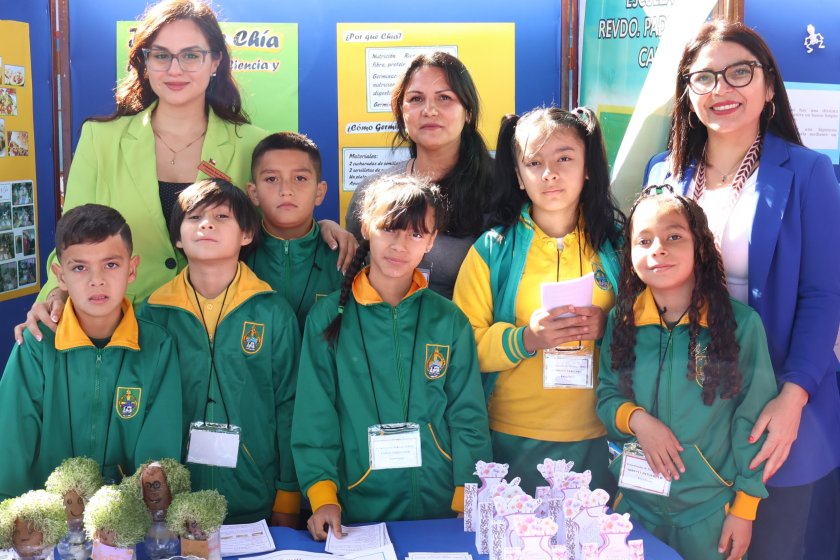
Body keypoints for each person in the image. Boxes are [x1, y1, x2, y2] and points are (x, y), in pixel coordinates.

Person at [14, 0, 354, 343]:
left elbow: (277, 221)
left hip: (223, 335)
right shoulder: (101, 140)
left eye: (191, 55)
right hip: (126, 332)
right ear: (145, 62)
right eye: (161, 55)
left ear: (216, 61)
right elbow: (72, 240)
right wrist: (56, 295)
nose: (175, 69)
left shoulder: (254, 144)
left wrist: (320, 226)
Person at [644, 20, 840, 559]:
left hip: (778, 404)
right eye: (703, 78)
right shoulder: (664, 173)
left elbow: (824, 296)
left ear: (769, 85)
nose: (721, 90)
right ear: (687, 91)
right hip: (690, 411)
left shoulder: (808, 172)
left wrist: (793, 397)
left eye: (739, 73)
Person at [292, 174, 492, 539]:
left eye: (416, 234)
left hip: (441, 506)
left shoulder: (448, 319)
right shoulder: (327, 318)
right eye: (390, 229)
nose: (400, 245)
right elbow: (314, 417)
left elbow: (468, 416)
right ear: (367, 226)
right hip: (356, 509)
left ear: (431, 240)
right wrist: (322, 496)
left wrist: (468, 491)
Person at [596, 187, 778, 560]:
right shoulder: (623, 319)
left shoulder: (739, 325)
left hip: (710, 513)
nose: (658, 248)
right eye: (643, 240)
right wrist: (639, 421)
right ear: (629, 255)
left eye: (674, 237)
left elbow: (753, 419)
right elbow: (607, 394)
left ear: (700, 247)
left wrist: (745, 509)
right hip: (635, 507)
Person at [452, 107, 624, 494]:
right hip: (510, 437)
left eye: (564, 158)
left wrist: (606, 328)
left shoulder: (619, 246)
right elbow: (463, 346)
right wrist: (525, 339)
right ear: (517, 175)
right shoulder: (492, 250)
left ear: (588, 167)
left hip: (600, 436)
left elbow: (650, 331)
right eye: (533, 162)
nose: (549, 173)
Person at [137, 179, 300, 526]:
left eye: (222, 216)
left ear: (246, 234)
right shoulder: (153, 314)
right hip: (172, 506)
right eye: (194, 218)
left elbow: (290, 406)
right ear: (178, 237)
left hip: (256, 498)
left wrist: (288, 494)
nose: (206, 224)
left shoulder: (272, 311)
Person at [0, 204, 183, 497]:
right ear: (60, 276)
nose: (96, 280)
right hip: (47, 519)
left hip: (125, 520)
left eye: (111, 264)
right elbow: (11, 442)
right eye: (79, 267)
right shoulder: (36, 345)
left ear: (132, 269)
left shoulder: (157, 346)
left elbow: (158, 449)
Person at [344, 51, 495, 299]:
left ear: (467, 112)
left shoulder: (501, 188)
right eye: (416, 99)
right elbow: (351, 270)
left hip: (465, 335)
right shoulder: (373, 191)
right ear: (401, 113)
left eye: (444, 98)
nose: (429, 110)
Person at [245, 132, 344, 330]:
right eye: (272, 179)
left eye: (300, 178)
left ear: (319, 192)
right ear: (253, 193)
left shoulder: (345, 258)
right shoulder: (235, 257)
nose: (286, 190)